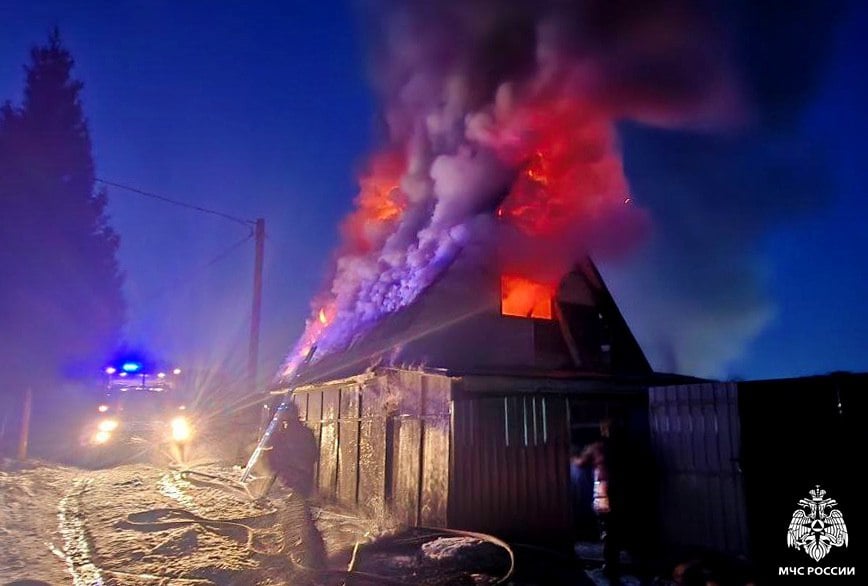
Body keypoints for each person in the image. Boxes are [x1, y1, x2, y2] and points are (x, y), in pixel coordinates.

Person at [575, 418, 622, 583]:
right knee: (611, 531)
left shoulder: (598, 448)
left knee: (608, 530)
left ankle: (611, 567)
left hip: (606, 495)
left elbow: (580, 463)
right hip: (616, 494)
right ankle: (611, 565)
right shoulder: (622, 447)